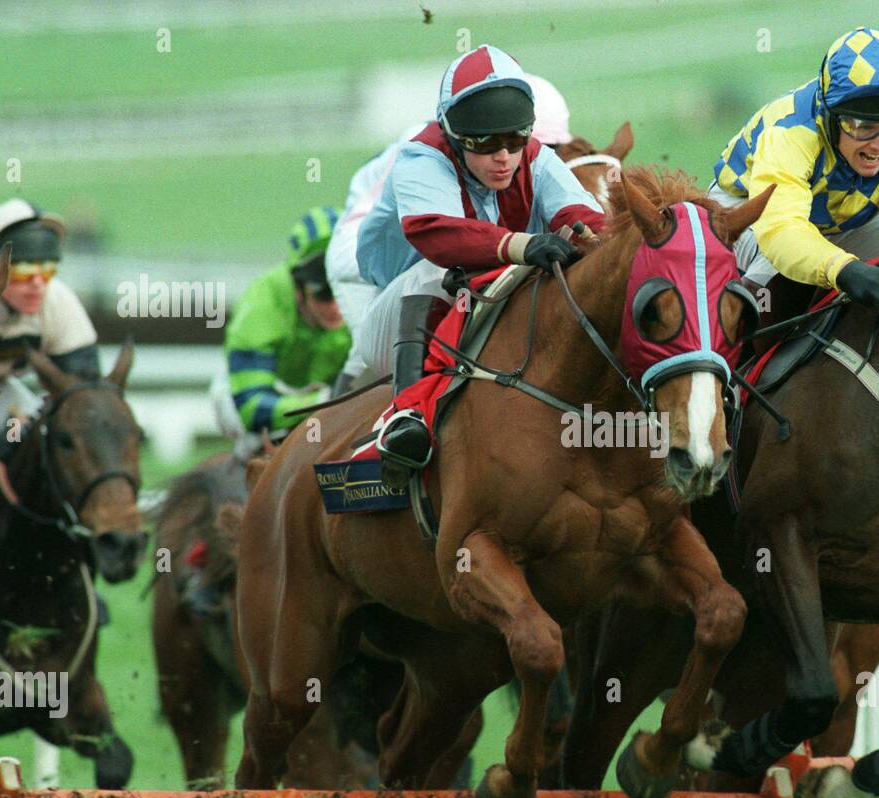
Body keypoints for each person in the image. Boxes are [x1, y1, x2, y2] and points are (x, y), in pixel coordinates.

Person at [354, 45, 605, 489]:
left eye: (513, 140)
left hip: (475, 312)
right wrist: (526, 245)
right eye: (485, 143)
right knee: (439, 272)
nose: (503, 156)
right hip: (396, 316)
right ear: (453, 136)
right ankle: (406, 417)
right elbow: (438, 235)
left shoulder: (537, 158)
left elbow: (585, 222)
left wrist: (607, 245)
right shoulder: (420, 158)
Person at [326, 75, 580, 397]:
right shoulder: (424, 149)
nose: (512, 156)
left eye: (521, 142)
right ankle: (401, 413)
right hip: (360, 257)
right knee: (377, 349)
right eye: (495, 142)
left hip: (436, 248)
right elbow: (450, 239)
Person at [710, 26, 879, 316]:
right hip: (746, 215)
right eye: (864, 127)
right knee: (778, 282)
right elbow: (781, 232)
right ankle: (738, 355)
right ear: (830, 117)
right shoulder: (790, 136)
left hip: (836, 220)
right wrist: (842, 269)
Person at [210, 206, 352, 462]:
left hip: (328, 396)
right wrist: (325, 400)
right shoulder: (262, 305)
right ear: (298, 287)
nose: (335, 305)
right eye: (322, 293)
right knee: (260, 436)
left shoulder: (368, 295)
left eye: (343, 289)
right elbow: (252, 409)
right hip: (255, 394)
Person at [0, 199, 101, 464]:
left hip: (2, 394)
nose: (37, 285)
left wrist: (24, 428)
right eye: (24, 271)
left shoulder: (59, 301)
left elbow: (83, 390)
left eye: (47, 271)